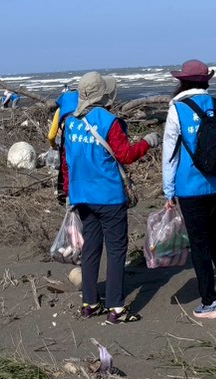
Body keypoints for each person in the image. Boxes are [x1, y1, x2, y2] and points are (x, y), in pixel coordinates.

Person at [60, 71, 156, 324]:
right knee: (116, 251)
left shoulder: (70, 122)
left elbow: (67, 162)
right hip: (108, 196)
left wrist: (69, 192)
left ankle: (90, 303)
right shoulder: (109, 121)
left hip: (82, 196)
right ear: (102, 95)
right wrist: (147, 142)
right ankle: (117, 308)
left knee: (91, 249)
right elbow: (125, 155)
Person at [162, 59, 216, 319]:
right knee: (215, 240)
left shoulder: (177, 109)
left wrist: (168, 191)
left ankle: (210, 302)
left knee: (200, 244)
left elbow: (169, 155)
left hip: (190, 187)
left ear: (182, 81)